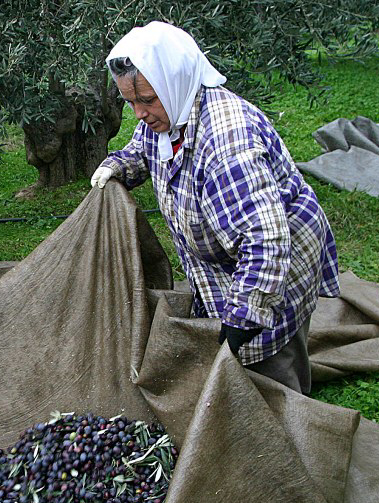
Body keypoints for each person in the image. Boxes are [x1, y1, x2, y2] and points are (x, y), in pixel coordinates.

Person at [91, 21, 339, 394]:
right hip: (223, 260)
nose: (139, 113)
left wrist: (244, 315)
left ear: (174, 82)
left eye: (146, 100)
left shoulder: (227, 144)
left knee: (270, 353)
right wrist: (116, 167)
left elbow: (265, 242)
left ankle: (289, 422)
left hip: (276, 262)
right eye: (130, 102)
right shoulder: (168, 115)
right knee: (231, 352)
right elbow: (142, 150)